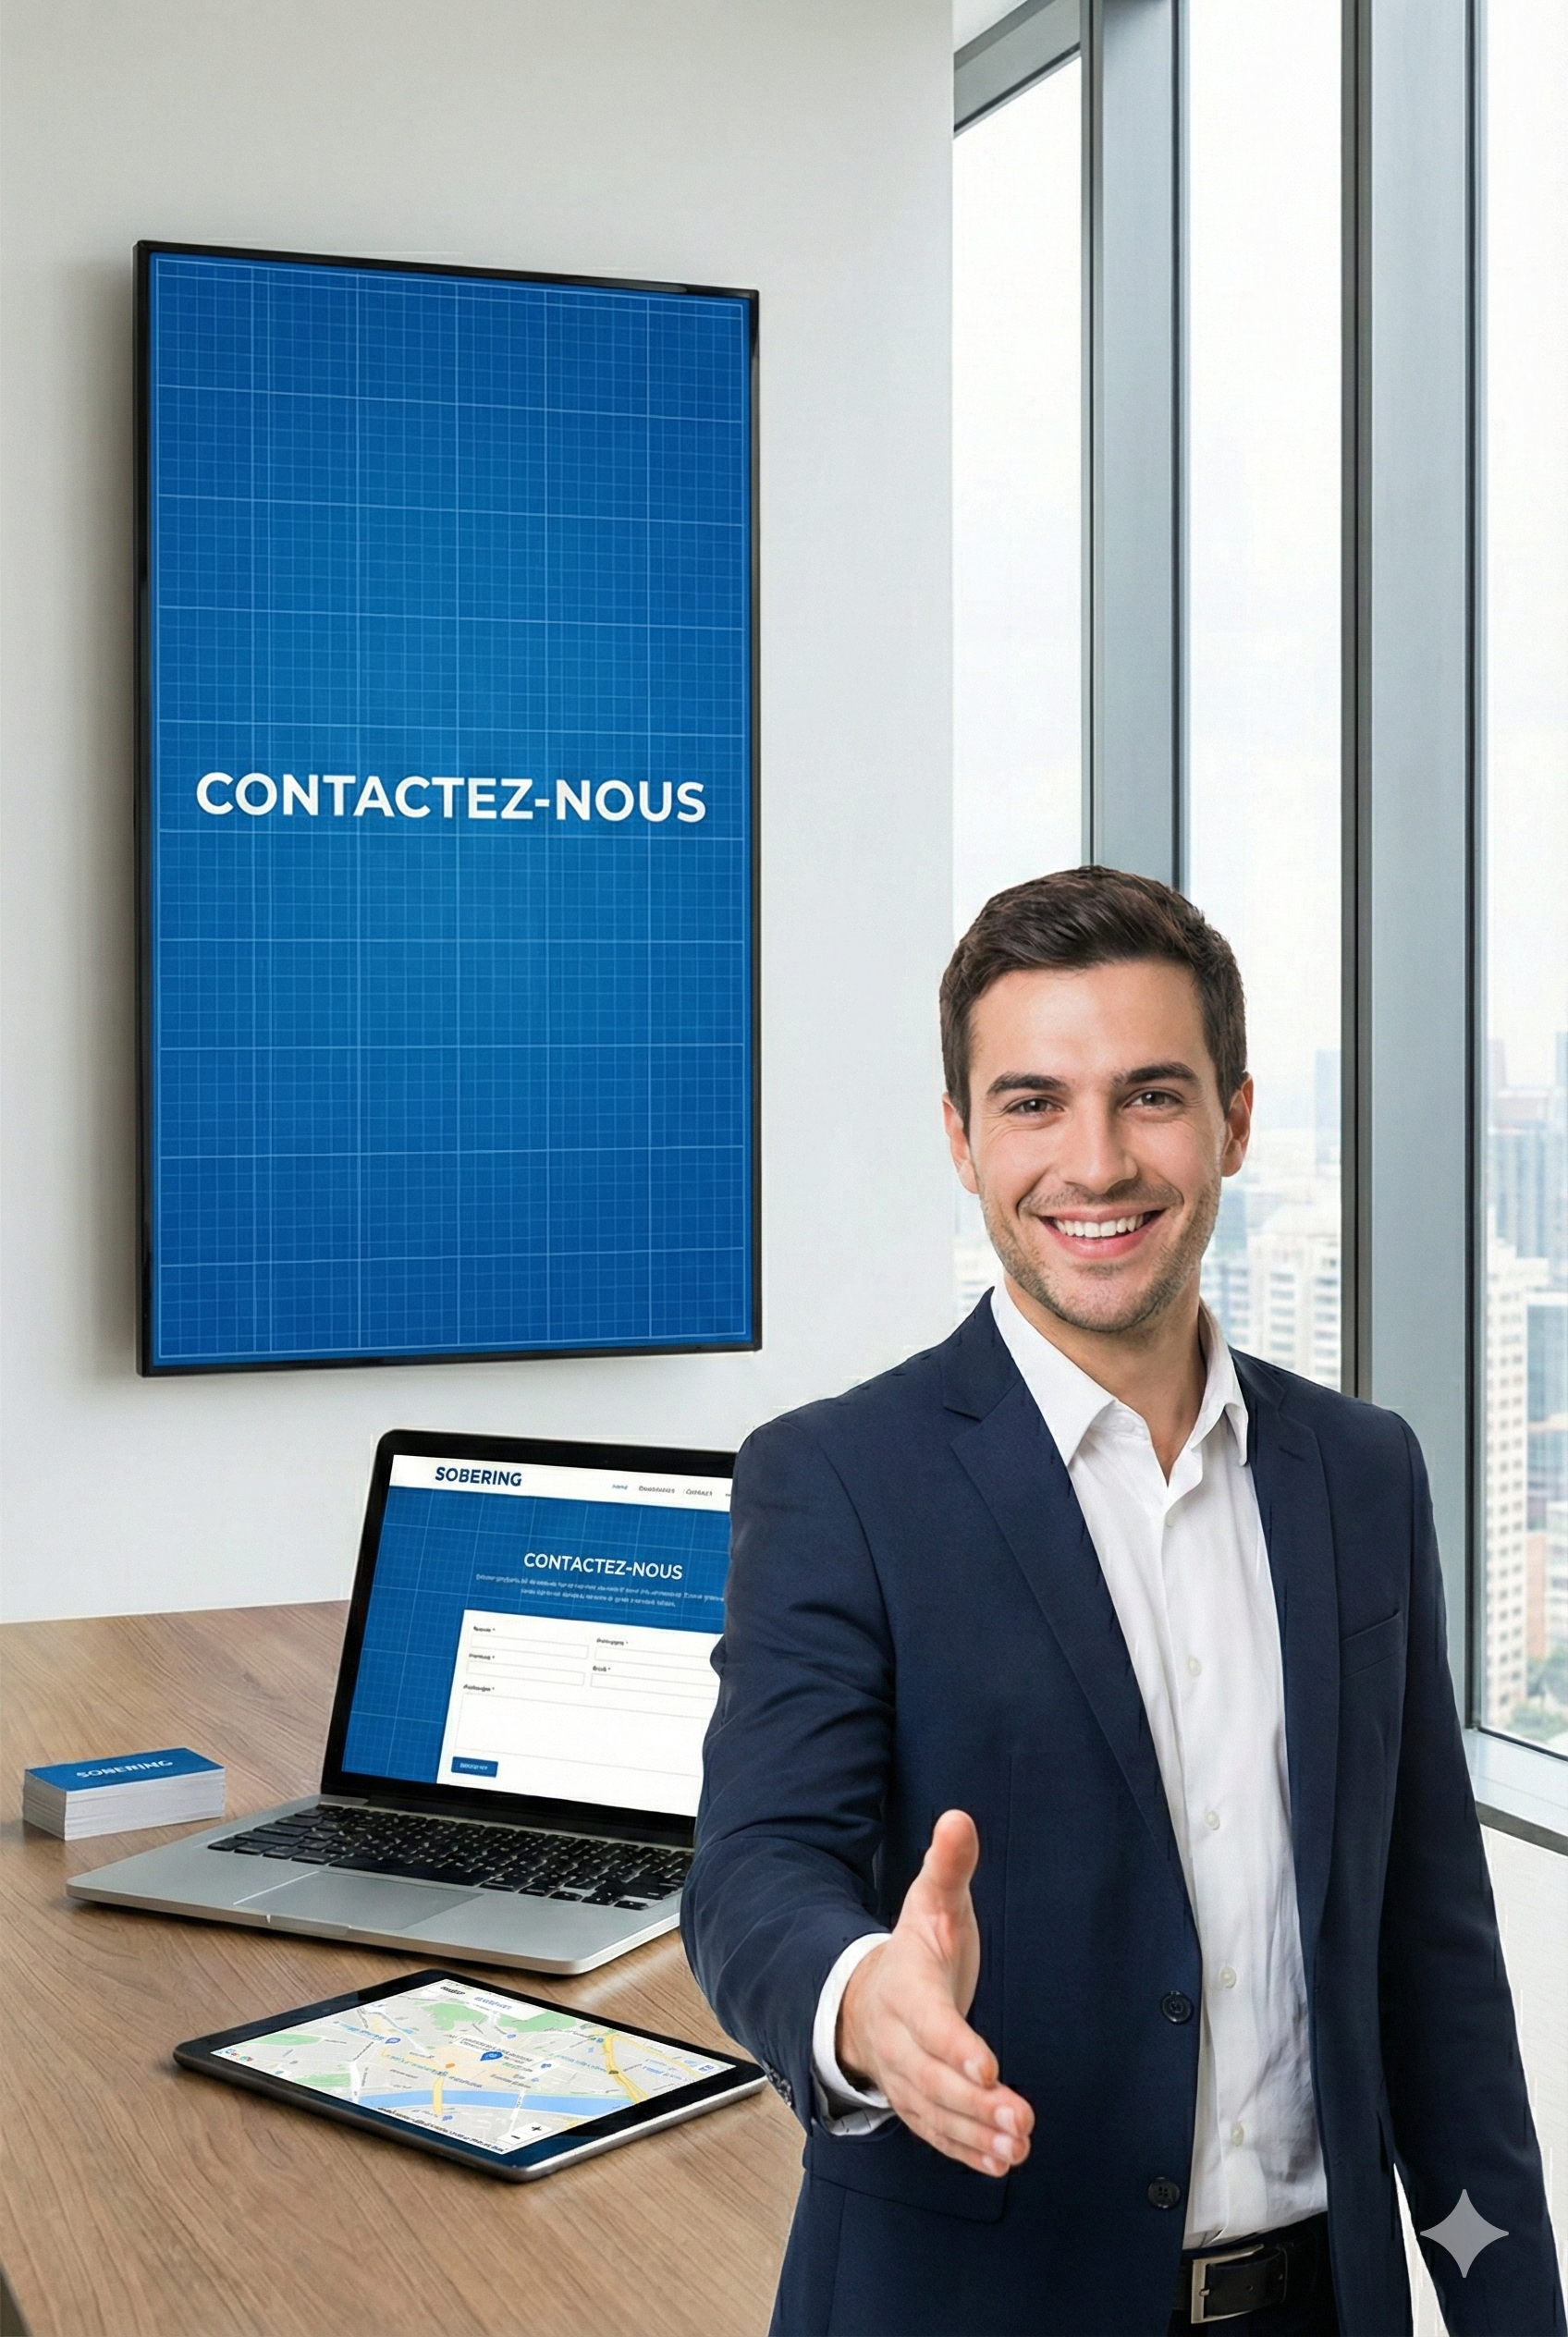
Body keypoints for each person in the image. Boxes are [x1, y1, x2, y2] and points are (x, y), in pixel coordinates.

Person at [682, 868, 1564, 2337]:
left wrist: (1511, 2308)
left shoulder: (1361, 1470)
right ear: (963, 1143)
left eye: (1151, 1096)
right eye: (1033, 1104)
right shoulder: (837, 1479)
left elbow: (1432, 1951)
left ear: (1234, 1118)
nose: (1095, 1164)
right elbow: (755, 1868)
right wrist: (863, 2007)